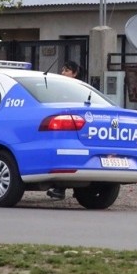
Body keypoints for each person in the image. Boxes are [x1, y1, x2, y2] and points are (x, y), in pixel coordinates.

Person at [48, 60, 81, 201]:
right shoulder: (59, 88)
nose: (63, 73)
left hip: (74, 128)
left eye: (66, 70)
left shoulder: (78, 88)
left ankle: (62, 189)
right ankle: (60, 189)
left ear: (74, 73)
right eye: (62, 70)